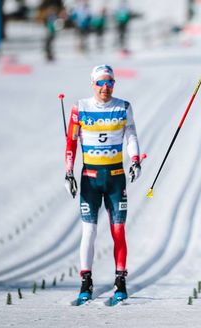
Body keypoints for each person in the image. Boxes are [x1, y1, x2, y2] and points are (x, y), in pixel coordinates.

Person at [64, 65, 142, 303]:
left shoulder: (123, 107)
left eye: (109, 82)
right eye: (100, 83)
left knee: (118, 231)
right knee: (89, 231)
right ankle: (85, 280)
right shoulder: (81, 108)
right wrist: (69, 172)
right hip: (90, 179)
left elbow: (131, 135)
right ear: (93, 84)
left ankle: (120, 279)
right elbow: (71, 142)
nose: (105, 87)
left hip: (115, 177)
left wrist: (135, 160)